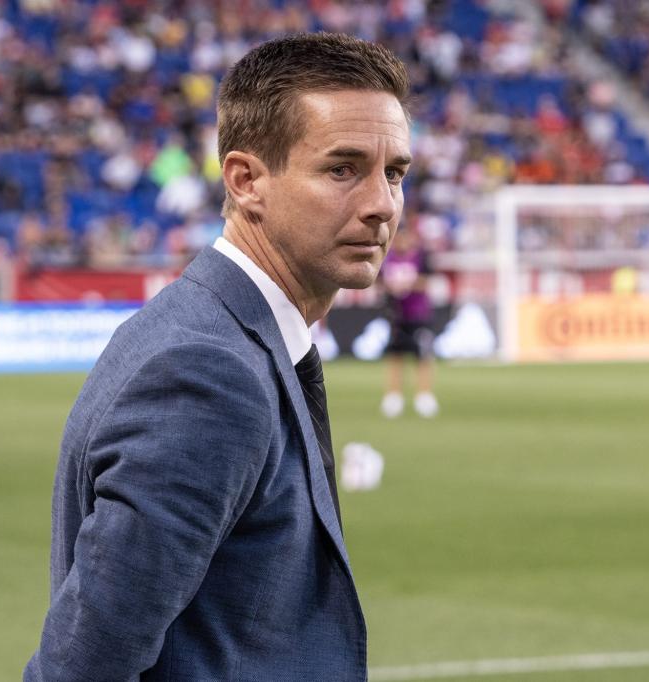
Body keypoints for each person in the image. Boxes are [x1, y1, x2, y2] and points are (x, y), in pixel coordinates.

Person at [25, 33, 411, 681]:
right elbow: (83, 666)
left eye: (394, 173)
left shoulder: (210, 329)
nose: (381, 205)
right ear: (246, 180)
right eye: (342, 169)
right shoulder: (209, 370)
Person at [380, 225, 439, 418]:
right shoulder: (387, 258)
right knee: (396, 355)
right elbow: (379, 282)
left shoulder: (421, 257)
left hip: (418, 314)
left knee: (422, 356)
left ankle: (424, 395)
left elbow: (427, 281)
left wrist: (405, 285)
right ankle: (394, 395)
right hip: (397, 315)